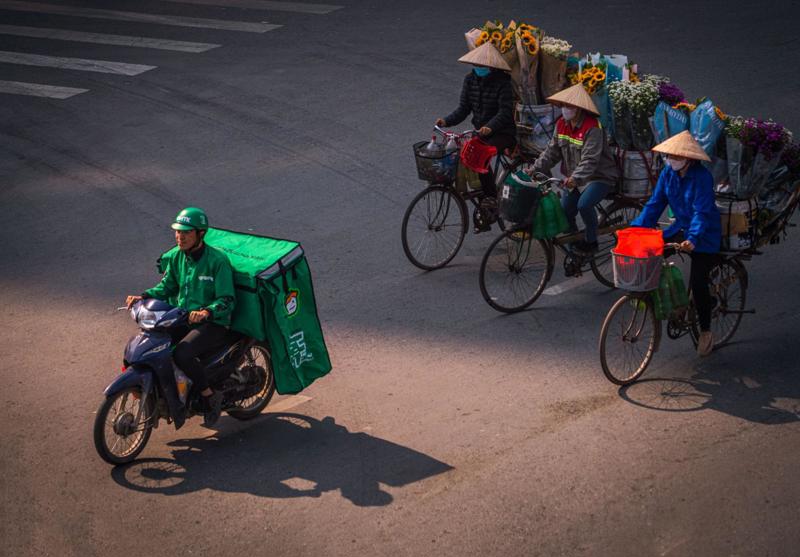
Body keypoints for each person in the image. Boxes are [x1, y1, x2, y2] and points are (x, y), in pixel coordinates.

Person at [126, 207, 236, 425]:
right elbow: (167, 286)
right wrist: (143, 296)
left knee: (182, 353)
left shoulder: (217, 261)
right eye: (177, 232)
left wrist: (207, 311)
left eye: (186, 232)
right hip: (182, 317)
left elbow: (227, 300)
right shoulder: (177, 257)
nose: (180, 236)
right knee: (150, 344)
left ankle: (208, 395)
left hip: (212, 323)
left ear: (200, 234)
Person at [630, 131, 721, 356]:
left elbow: (702, 212)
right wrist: (635, 229)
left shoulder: (702, 177)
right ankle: (670, 302)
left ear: (688, 158)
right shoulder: (668, 174)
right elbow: (655, 204)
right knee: (652, 254)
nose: (670, 159)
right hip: (680, 228)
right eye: (668, 155)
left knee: (698, 282)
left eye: (674, 156)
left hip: (703, 235)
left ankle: (706, 332)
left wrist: (693, 239)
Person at [529, 83, 619, 254]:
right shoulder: (561, 124)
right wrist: (534, 169)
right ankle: (574, 246)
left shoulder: (592, 128)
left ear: (578, 109)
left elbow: (590, 161)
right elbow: (551, 152)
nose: (565, 109)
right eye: (563, 105)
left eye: (569, 106)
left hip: (599, 177)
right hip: (575, 179)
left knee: (584, 205)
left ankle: (592, 242)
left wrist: (574, 179)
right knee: (564, 212)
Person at [435, 42, 515, 232]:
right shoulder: (470, 80)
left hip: (503, 133)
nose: (478, 68)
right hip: (481, 132)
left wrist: (490, 127)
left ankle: (491, 201)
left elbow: (505, 113)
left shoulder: (503, 83)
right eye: (476, 65)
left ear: (491, 66)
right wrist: (445, 121)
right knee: (466, 153)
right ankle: (485, 207)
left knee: (480, 154)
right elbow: (463, 109)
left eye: (482, 66)